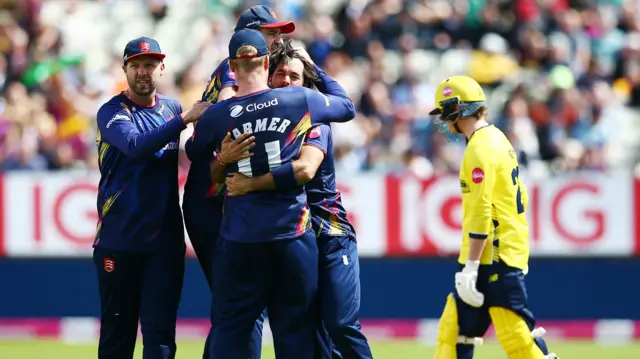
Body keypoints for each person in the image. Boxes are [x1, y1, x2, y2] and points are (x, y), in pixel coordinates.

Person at [189, 29, 355, 359]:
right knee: (295, 329)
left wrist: (223, 156)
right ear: (267, 63)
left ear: (232, 68)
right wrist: (314, 68)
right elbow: (346, 106)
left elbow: (197, 154)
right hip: (291, 233)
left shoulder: (218, 116)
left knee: (233, 328)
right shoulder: (300, 100)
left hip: (240, 237)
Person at [225, 40, 374, 359]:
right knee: (306, 330)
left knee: (340, 323)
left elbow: (305, 168)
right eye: (280, 74)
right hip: (291, 239)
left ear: (307, 84)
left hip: (328, 234)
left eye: (295, 76)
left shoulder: (315, 122)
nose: (287, 81)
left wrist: (310, 63)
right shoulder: (266, 126)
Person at [93, 37, 209, 359]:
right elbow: (135, 146)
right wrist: (184, 120)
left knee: (160, 340)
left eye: (149, 65)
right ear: (125, 69)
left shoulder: (170, 108)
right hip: (119, 241)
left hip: (164, 245)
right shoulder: (111, 112)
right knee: (118, 338)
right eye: (136, 65)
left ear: (162, 68)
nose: (143, 72)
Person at [427, 75, 558, 359]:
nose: (442, 121)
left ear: (455, 109)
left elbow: (481, 212)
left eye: (443, 112)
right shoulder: (495, 137)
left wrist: (471, 267)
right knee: (454, 331)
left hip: (493, 256)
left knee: (516, 336)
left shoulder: (480, 147)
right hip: (496, 253)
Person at [183, 4, 295, 288]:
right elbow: (227, 106)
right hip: (210, 194)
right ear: (248, 39)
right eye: (271, 33)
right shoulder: (233, 69)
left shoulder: (257, 75)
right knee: (234, 298)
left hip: (226, 194)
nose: (279, 40)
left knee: (241, 300)